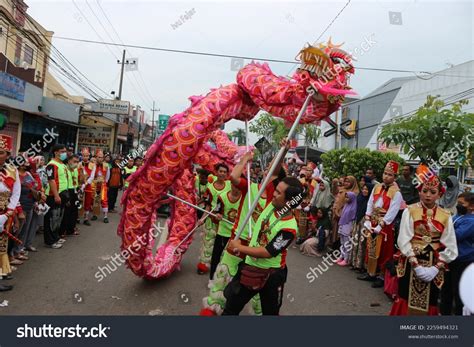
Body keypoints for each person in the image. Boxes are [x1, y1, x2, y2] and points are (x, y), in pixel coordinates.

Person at [200, 141, 288, 316]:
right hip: (236, 240)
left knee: (254, 288)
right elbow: (233, 177)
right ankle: (212, 308)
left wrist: (283, 151)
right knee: (222, 274)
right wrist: (244, 160)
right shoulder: (251, 187)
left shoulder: (274, 198)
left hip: (255, 248)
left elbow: (277, 169)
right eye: (266, 168)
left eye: (270, 169)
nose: (266, 170)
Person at [222, 177, 303, 315]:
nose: (273, 194)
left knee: (270, 314)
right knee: (230, 308)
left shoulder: (289, 228)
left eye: (278, 193)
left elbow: (268, 252)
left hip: (271, 276)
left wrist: (239, 247)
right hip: (249, 267)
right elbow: (275, 171)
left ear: (289, 202)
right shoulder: (272, 205)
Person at [390, 170, 458, 315]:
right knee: (405, 297)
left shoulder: (446, 216)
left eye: (433, 192)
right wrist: (415, 263)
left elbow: (451, 246)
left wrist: (436, 267)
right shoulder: (410, 211)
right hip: (411, 261)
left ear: (440, 194)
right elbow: (403, 239)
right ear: (419, 191)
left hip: (434, 263)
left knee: (431, 301)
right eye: (425, 190)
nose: (428, 195)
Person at [358, 161, 403, 288]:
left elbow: (392, 212)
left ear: (394, 177)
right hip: (372, 221)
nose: (386, 176)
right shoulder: (377, 187)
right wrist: (367, 218)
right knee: (371, 247)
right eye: (385, 173)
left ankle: (381, 276)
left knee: (384, 251)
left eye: (390, 174)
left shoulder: (397, 193)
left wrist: (381, 225)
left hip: (385, 226)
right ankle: (371, 272)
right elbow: (370, 202)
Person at [440, 192, 474, 315]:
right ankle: (444, 313)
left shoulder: (471, 221)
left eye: (461, 204)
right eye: (458, 203)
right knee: (446, 289)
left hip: (463, 260)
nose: (458, 206)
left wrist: (443, 230)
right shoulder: (458, 216)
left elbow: (455, 236)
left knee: (459, 291)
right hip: (451, 259)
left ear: (472, 207)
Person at [197, 163, 230, 275]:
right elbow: (207, 206)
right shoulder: (210, 188)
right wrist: (202, 219)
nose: (222, 174)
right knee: (208, 244)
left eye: (225, 172)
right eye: (220, 171)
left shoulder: (230, 185)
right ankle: (203, 266)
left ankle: (220, 269)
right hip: (211, 220)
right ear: (216, 172)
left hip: (224, 221)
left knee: (223, 246)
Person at [209, 183, 242, 279]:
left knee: (231, 259)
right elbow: (215, 214)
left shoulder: (245, 199)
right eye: (235, 186)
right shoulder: (222, 197)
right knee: (216, 256)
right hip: (223, 231)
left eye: (240, 187)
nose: (237, 189)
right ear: (232, 185)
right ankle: (212, 278)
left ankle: (227, 280)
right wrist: (217, 216)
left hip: (237, 233)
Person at [0, 135, 20, 290]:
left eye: (1, 152)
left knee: (2, 246)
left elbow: (16, 193)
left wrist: (8, 213)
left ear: (7, 154)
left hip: (5, 213)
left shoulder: (12, 171)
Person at [44, 144, 69, 249]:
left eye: (65, 151)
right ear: (56, 152)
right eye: (62, 151)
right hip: (53, 195)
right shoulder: (51, 164)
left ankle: (55, 237)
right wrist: (56, 195)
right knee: (51, 218)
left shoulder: (62, 164)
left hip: (62, 194)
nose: (64, 153)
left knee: (57, 218)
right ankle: (50, 241)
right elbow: (51, 180)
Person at [330, 176, 359, 249]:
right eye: (345, 181)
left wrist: (340, 213)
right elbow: (336, 197)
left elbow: (351, 205)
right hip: (336, 213)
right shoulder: (342, 189)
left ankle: (340, 251)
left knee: (343, 234)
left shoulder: (354, 192)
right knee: (335, 231)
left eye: (348, 182)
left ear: (352, 183)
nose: (346, 183)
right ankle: (335, 248)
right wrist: (335, 210)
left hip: (344, 216)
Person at [351, 182, 374, 271]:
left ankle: (361, 265)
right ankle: (354, 263)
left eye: (367, 189)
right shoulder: (360, 198)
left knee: (362, 243)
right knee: (355, 241)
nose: (364, 191)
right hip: (357, 221)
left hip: (365, 222)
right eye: (363, 189)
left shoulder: (370, 202)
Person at [60, 155, 80, 236]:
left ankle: (71, 229)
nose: (76, 164)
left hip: (74, 190)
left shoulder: (75, 169)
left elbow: (76, 180)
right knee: (66, 212)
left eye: (77, 162)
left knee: (74, 211)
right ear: (69, 161)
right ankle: (62, 231)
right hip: (66, 191)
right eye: (74, 161)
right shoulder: (64, 169)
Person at [337, 191, 357, 266]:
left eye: (348, 197)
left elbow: (353, 219)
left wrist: (352, 228)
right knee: (342, 242)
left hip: (348, 226)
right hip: (343, 224)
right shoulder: (346, 205)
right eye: (346, 197)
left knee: (347, 243)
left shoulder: (353, 208)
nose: (346, 198)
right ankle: (341, 256)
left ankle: (346, 259)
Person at [91, 149, 110, 223]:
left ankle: (105, 216)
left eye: (102, 157)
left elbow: (108, 176)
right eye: (99, 157)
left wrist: (105, 183)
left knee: (104, 200)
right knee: (95, 199)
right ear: (96, 157)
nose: (100, 159)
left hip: (103, 185)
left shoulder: (106, 165)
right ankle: (95, 214)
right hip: (94, 185)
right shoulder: (92, 165)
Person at [80, 148, 96, 226]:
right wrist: (81, 185)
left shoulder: (92, 165)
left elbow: (92, 177)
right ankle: (77, 217)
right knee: (79, 201)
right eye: (84, 155)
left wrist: (85, 184)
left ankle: (86, 218)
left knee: (87, 201)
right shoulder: (79, 164)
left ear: (89, 155)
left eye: (86, 156)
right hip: (79, 185)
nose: (85, 157)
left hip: (88, 185)